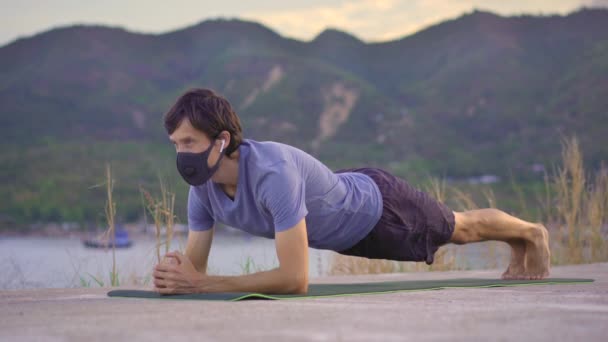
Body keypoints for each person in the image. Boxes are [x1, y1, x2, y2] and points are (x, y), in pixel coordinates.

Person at [152, 88, 551, 295]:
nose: (181, 153)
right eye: (175, 144)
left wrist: (203, 284)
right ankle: (518, 242)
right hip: (343, 205)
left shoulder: (273, 174)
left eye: (189, 142)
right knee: (462, 230)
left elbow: (295, 280)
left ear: (221, 141)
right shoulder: (202, 188)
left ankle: (532, 233)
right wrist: (177, 277)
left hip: (381, 213)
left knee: (462, 230)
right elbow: (195, 273)